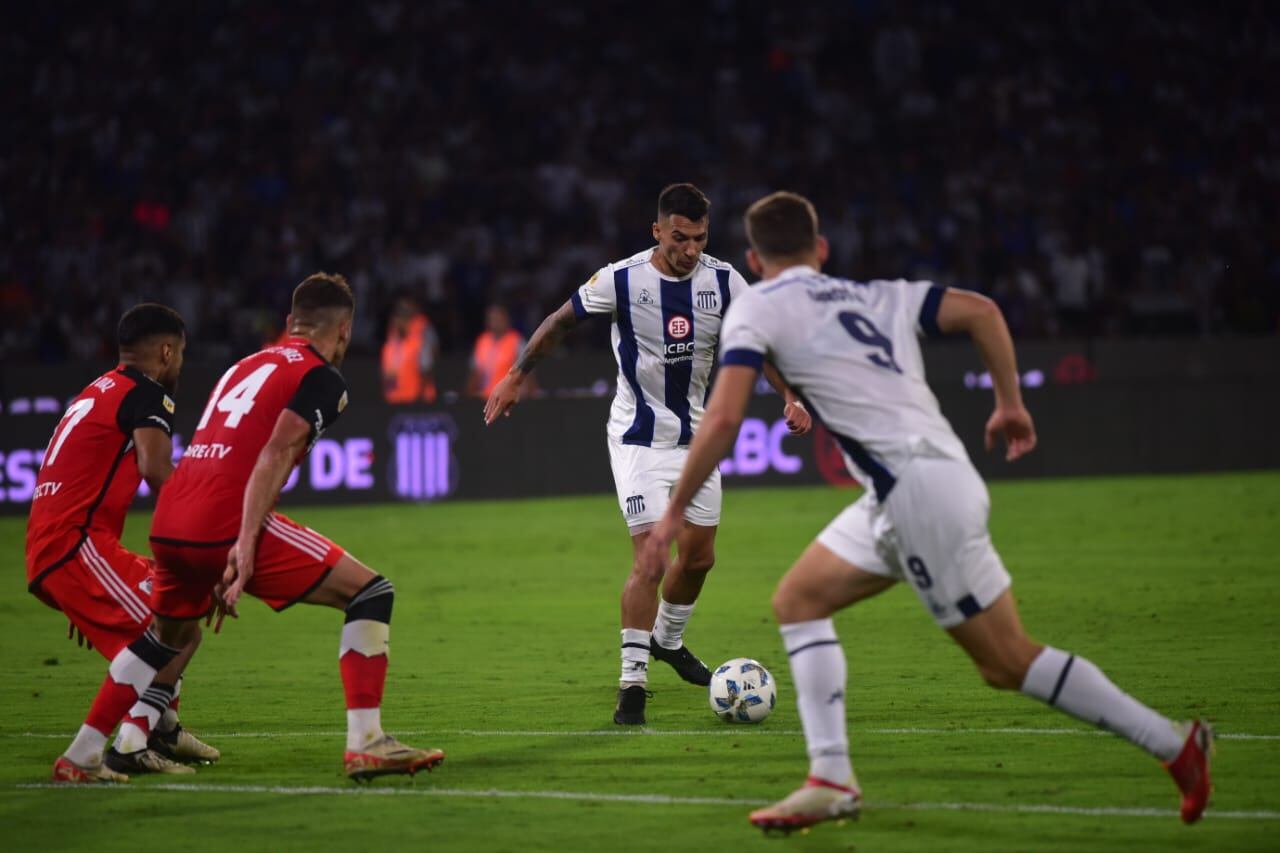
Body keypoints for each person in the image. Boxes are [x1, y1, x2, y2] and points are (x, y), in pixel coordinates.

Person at [642, 191, 1212, 830]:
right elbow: (983, 311)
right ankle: (830, 777)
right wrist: (1009, 403)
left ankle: (1174, 744)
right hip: (920, 483)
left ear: (752, 256)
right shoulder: (878, 294)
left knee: (1006, 662)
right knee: (798, 600)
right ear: (821, 250)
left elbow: (721, 418)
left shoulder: (758, 306)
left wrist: (671, 516)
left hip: (918, 494)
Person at [485, 183, 811, 725]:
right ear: (657, 231)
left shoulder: (725, 280)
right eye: (679, 238)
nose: (690, 250)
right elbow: (561, 320)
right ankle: (632, 683)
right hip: (637, 440)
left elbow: (758, 343)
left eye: (699, 239)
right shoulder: (621, 278)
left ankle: (667, 640)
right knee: (651, 557)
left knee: (700, 558)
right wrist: (517, 375)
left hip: (697, 442)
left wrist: (790, 395)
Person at [147, 273, 445, 782]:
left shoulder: (245, 363)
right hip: (225, 516)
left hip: (173, 511)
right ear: (345, 331)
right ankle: (367, 741)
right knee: (371, 593)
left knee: (174, 630)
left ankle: (146, 728)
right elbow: (278, 449)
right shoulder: (321, 377)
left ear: (290, 323)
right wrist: (241, 544)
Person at [25, 303, 219, 783]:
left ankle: (162, 727)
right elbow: (156, 470)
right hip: (75, 546)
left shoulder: (94, 391)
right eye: (181, 356)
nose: (179, 366)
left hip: (58, 547)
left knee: (177, 613)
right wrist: (203, 534)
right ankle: (113, 745)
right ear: (167, 351)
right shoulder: (147, 393)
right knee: (178, 620)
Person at [382, 295, 440, 404]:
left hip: (417, 402)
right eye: (398, 318)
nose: (401, 322)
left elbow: (426, 373)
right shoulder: (389, 347)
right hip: (395, 402)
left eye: (405, 319)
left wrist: (419, 399)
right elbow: (387, 377)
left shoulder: (419, 343)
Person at [467, 304, 526, 399]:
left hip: (507, 398)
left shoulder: (517, 341)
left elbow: (526, 374)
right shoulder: (482, 341)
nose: (496, 322)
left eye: (499, 319)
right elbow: (475, 375)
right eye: (493, 319)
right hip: (485, 398)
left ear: (507, 319)